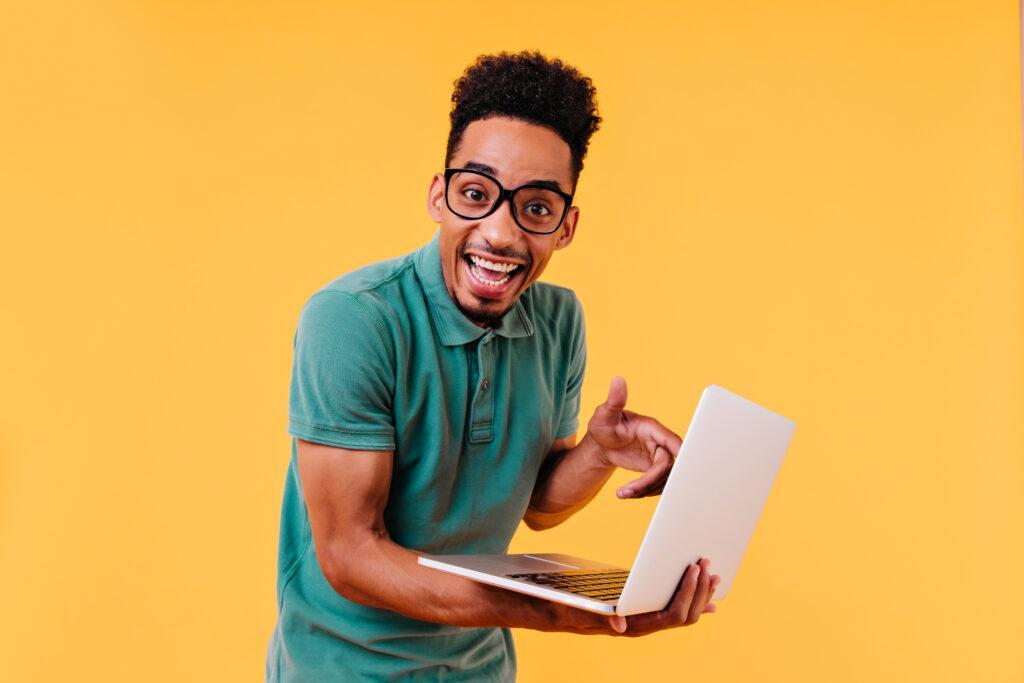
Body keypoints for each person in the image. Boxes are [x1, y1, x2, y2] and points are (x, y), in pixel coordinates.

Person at [265, 50, 720, 682]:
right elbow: (349, 555)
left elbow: (538, 506)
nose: (501, 234)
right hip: (343, 670)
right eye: (476, 194)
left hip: (480, 668)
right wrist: (571, 613)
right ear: (438, 196)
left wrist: (596, 449)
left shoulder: (560, 322)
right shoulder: (352, 320)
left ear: (566, 226)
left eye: (536, 207)